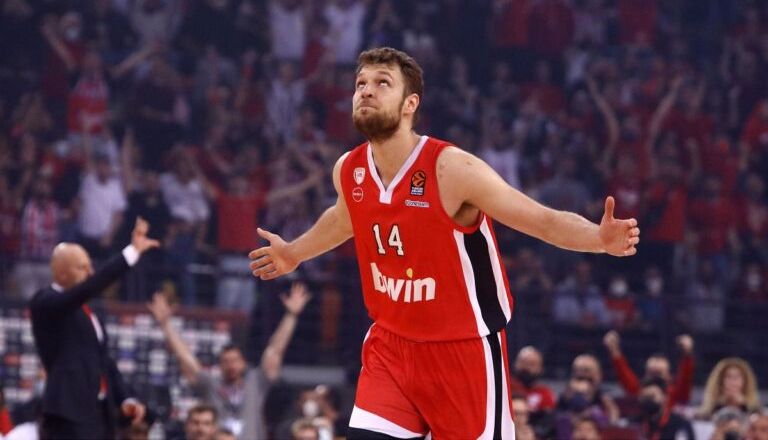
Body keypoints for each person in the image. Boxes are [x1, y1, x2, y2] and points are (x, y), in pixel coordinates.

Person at [249, 47, 641, 438]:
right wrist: (293, 253)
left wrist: (598, 239)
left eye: (382, 83)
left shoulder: (451, 169)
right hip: (391, 347)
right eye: (360, 83)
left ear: (410, 104)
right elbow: (344, 218)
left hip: (462, 352)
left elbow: (542, 220)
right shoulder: (349, 169)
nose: (366, 91)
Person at [29, 218, 159, 439]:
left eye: (90, 266)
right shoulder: (46, 302)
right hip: (67, 414)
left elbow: (104, 361)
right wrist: (131, 253)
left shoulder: (89, 312)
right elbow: (89, 287)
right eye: (82, 267)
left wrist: (125, 399)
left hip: (99, 416)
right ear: (61, 272)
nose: (90, 272)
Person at [147, 282, 311, 439]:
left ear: (243, 362)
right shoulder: (210, 385)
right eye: (226, 361)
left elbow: (275, 351)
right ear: (219, 365)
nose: (231, 365)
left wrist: (291, 316)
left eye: (235, 360)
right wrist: (165, 324)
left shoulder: (256, 382)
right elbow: (185, 358)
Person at [604, 330, 695, 409]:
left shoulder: (676, 396)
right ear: (645, 375)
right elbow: (624, 375)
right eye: (651, 374)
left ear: (669, 377)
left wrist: (687, 353)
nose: (654, 380)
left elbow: (685, 380)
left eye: (658, 374)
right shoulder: (639, 393)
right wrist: (614, 350)